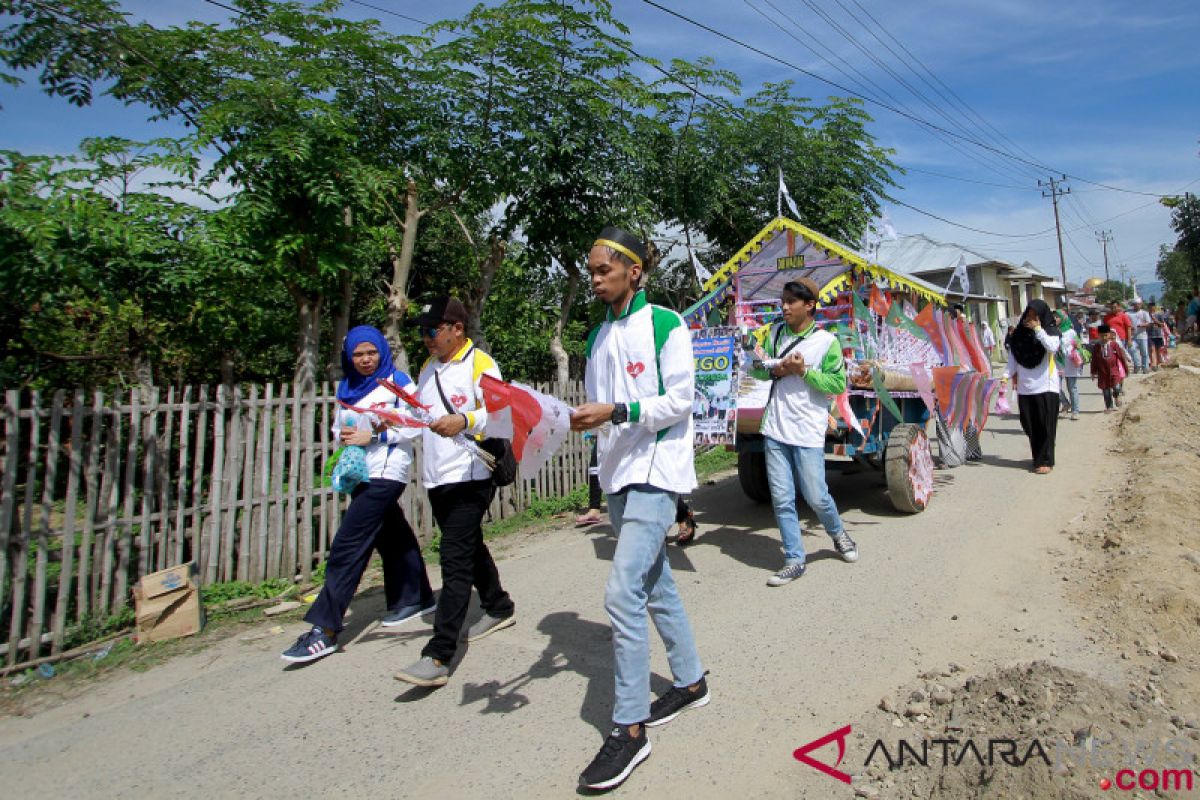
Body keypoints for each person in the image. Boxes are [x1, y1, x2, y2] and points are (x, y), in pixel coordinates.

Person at [571, 226, 708, 792]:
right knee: (654, 585)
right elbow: (599, 413)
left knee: (621, 591)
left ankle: (630, 729)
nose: (595, 278)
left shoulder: (665, 324)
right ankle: (692, 681)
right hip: (619, 474)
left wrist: (617, 411)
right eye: (592, 270)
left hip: (657, 471)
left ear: (635, 270)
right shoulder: (594, 339)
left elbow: (680, 401)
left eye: (604, 269)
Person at [281, 326, 435, 664]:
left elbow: (418, 420)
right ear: (349, 357)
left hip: (388, 471)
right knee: (392, 535)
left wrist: (375, 437)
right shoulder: (347, 386)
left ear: (382, 351)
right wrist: (347, 435)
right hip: (360, 472)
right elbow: (340, 427)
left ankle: (325, 628)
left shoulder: (398, 381)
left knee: (348, 544)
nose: (366, 360)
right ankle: (417, 596)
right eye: (358, 354)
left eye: (371, 353)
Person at [393, 297, 516, 688]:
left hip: (472, 475)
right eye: (423, 331)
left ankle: (438, 654)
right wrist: (381, 429)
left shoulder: (480, 364)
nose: (426, 338)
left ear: (456, 329)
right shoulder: (429, 368)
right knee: (467, 545)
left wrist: (464, 418)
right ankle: (498, 605)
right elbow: (418, 419)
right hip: (438, 479)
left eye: (433, 330)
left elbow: (501, 413)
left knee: (453, 559)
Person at [751, 278, 857, 587]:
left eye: (791, 302)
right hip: (774, 428)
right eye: (783, 301)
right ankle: (794, 560)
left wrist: (804, 372)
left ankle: (838, 534)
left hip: (809, 429)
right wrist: (776, 369)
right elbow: (755, 370)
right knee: (782, 498)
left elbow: (838, 384)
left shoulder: (826, 342)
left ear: (809, 305)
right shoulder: (774, 334)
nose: (784, 306)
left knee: (815, 495)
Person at [1005, 299, 1061, 474]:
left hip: (1046, 386)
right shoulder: (1018, 336)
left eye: (1035, 316)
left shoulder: (1050, 332)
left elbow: (1052, 347)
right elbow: (1013, 360)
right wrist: (1005, 377)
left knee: (1045, 426)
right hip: (1025, 388)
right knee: (1029, 425)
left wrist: (1038, 330)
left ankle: (1045, 460)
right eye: (1028, 315)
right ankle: (1037, 456)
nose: (1030, 319)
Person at [1089, 324, 1131, 412]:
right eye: (1101, 335)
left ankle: (1116, 396)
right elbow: (1094, 360)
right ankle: (1109, 406)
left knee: (1116, 386)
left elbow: (1121, 357)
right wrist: (1093, 372)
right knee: (1106, 390)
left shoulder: (1114, 345)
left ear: (1110, 335)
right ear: (1098, 335)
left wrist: (1126, 369)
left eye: (1106, 335)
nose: (1104, 337)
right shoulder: (1097, 346)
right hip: (1102, 372)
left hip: (1114, 370)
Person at [1054, 309, 1083, 421]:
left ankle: (1075, 411)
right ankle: (1065, 404)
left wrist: (1076, 350)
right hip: (1057, 363)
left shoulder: (1071, 332)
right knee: (1056, 387)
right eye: (1054, 317)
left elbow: (1078, 345)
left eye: (1057, 317)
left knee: (1072, 387)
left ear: (1064, 318)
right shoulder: (1052, 331)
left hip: (1070, 363)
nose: (1055, 319)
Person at [1126, 297, 1152, 374]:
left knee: (1144, 352)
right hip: (1132, 336)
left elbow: (1149, 323)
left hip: (1142, 336)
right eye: (1135, 304)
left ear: (1141, 304)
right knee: (1132, 350)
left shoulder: (1144, 313)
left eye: (1138, 304)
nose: (1136, 306)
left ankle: (1145, 367)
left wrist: (1142, 325)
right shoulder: (1128, 314)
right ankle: (1137, 365)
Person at [1147, 302, 1166, 369]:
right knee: (1152, 349)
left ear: (1154, 307)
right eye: (1149, 308)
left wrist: (1155, 320)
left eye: (1152, 307)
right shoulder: (1146, 315)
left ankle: (1158, 363)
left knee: (1158, 350)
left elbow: (1162, 324)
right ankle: (1153, 364)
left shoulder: (1159, 314)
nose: (1151, 309)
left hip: (1158, 335)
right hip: (1150, 335)